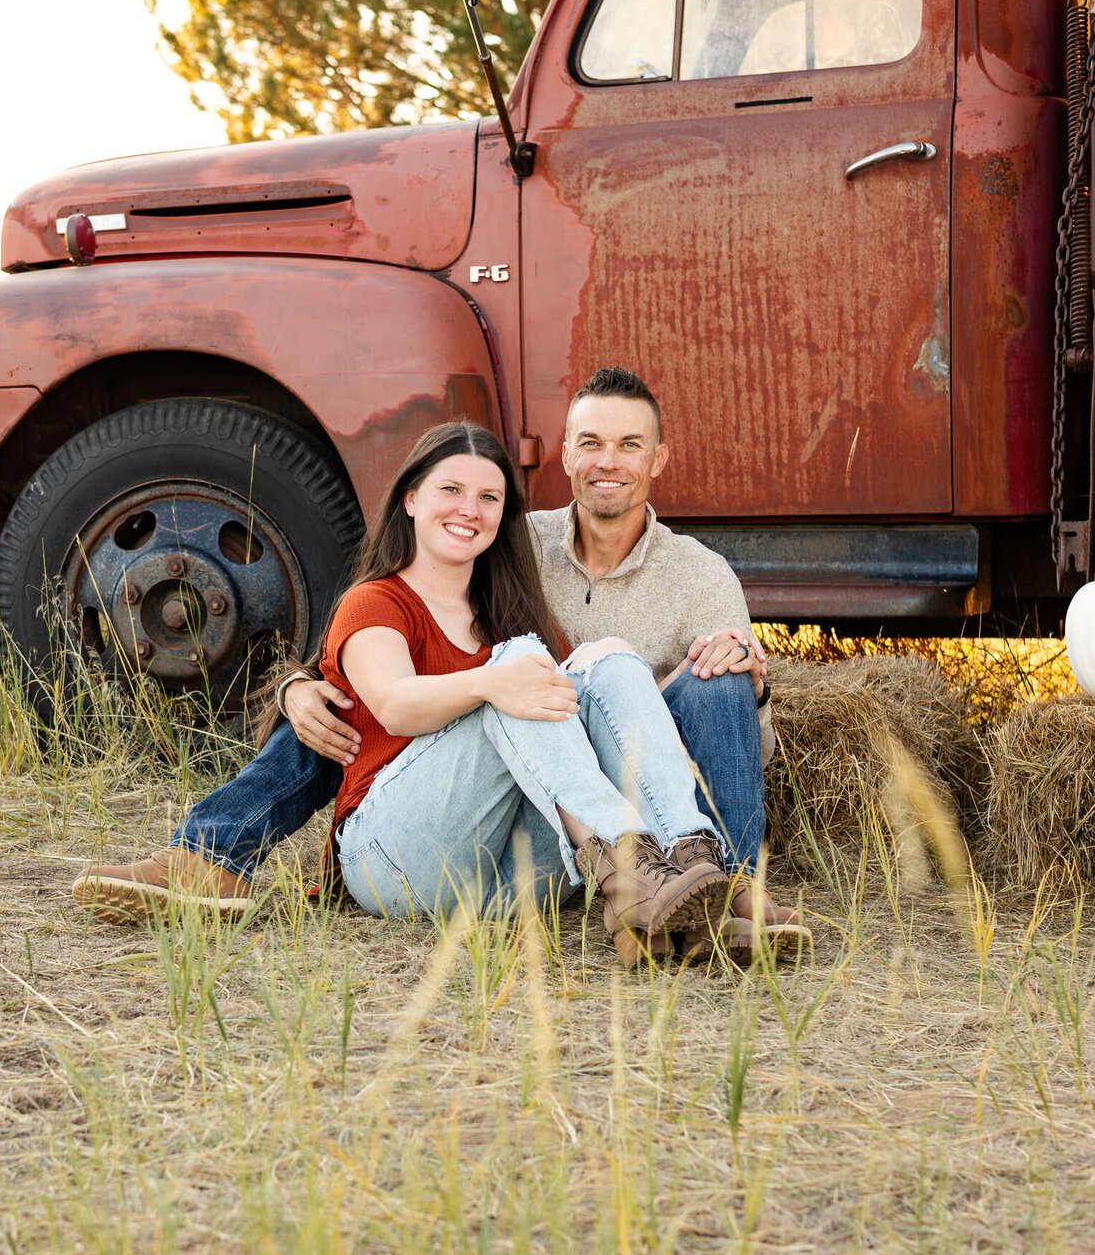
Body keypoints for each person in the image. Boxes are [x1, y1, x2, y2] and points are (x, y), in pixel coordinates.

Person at [75, 368, 802, 942]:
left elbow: (638, 703)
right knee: (495, 675)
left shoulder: (677, 575)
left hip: (556, 821)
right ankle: (214, 855)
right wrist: (301, 682)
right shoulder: (484, 564)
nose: (472, 510)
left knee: (609, 664)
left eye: (488, 498)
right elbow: (389, 693)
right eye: (452, 490)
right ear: (413, 500)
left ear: (658, 459)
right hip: (435, 823)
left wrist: (738, 665)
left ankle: (703, 879)